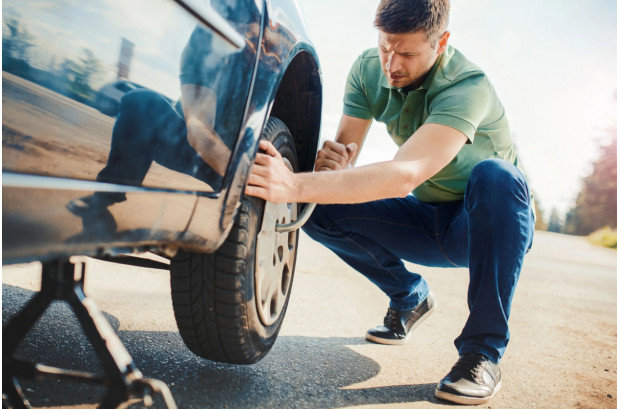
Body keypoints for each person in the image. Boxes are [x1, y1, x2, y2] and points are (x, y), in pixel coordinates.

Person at [245, 0, 534, 405]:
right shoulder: (368, 69)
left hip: (482, 224)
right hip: (426, 218)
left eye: (408, 53)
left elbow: (404, 174)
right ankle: (409, 296)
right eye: (385, 47)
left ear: (442, 42)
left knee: (497, 176)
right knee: (317, 207)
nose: (392, 64)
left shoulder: (468, 88)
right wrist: (327, 167)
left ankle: (481, 354)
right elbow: (344, 161)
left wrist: (291, 184)